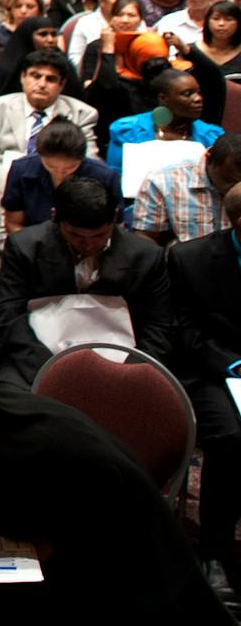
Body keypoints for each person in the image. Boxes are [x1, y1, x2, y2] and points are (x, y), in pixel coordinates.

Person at [0, 381, 225, 625]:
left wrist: (42, 550)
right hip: (31, 548)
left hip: (114, 562)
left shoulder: (61, 452)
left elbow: (98, 534)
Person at [0, 173, 176, 387]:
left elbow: (157, 327)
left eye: (98, 236)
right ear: (56, 217)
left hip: (122, 362)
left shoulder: (146, 256)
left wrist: (126, 373)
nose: (87, 245)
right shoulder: (24, 247)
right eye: (76, 235)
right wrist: (53, 370)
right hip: (36, 357)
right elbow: (9, 318)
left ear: (114, 217)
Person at [169, 180, 241, 584]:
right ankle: (214, 549)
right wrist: (234, 365)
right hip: (215, 370)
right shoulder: (190, 259)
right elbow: (185, 333)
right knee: (231, 437)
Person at [0, 46, 99, 194]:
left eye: (50, 79)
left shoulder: (82, 114)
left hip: (59, 189)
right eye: (35, 76)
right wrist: (10, 189)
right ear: (23, 77)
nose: (42, 84)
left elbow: (89, 160)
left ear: (62, 84)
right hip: (3, 186)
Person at [0, 118, 123, 233]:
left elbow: (116, 227)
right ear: (40, 156)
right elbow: (13, 223)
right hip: (35, 246)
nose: (59, 173)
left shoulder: (106, 176)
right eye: (51, 167)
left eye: (68, 169)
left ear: (81, 159)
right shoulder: (21, 169)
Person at [106, 63, 223, 172]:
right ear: (163, 98)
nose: (198, 99)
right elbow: (116, 176)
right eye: (187, 94)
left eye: (198, 92)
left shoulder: (212, 136)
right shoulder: (128, 131)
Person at [134, 131, 241, 245]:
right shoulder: (162, 182)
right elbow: (145, 238)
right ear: (208, 159)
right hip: (185, 259)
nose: (237, 188)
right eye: (230, 180)